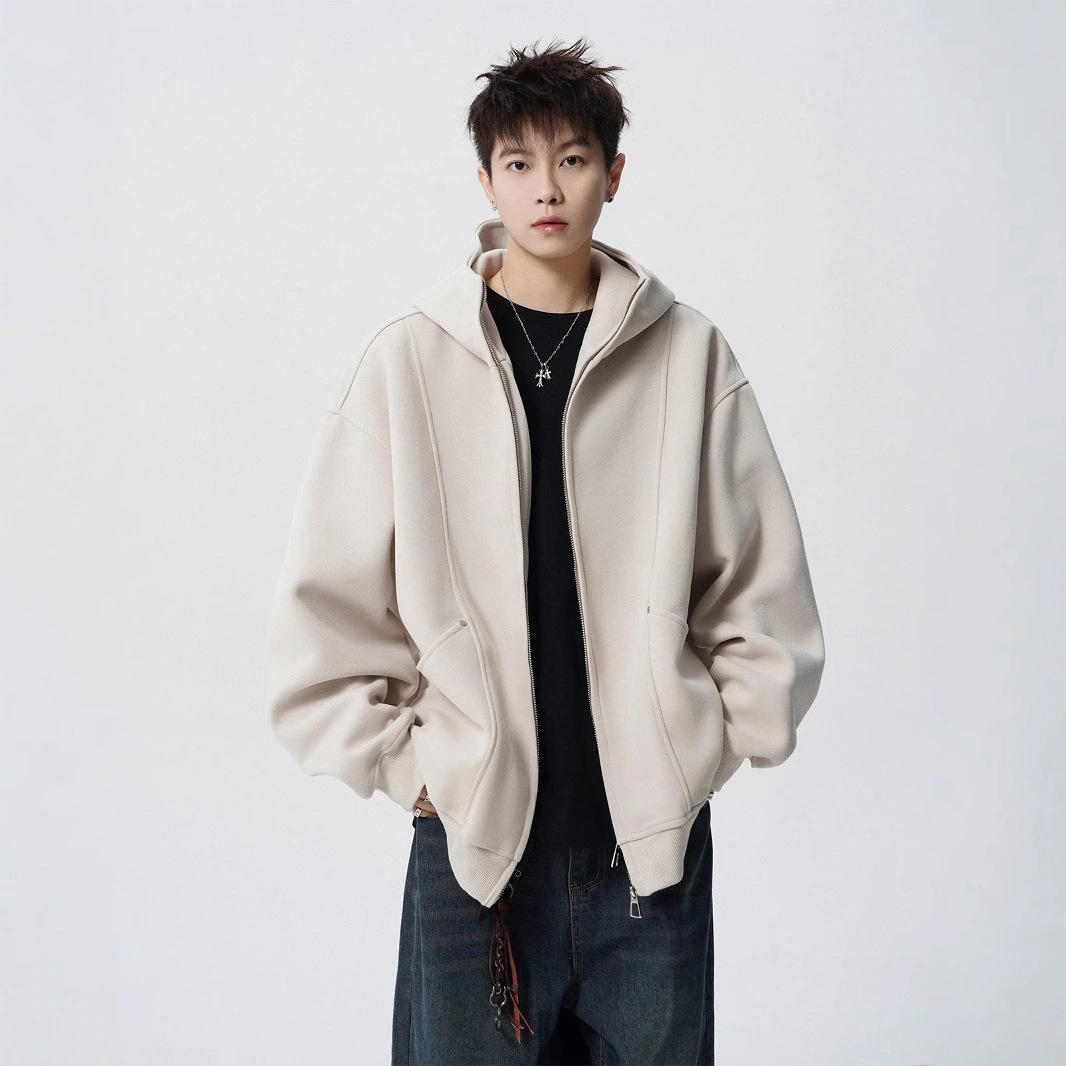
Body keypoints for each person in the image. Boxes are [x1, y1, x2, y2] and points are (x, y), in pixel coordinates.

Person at [265, 36, 826, 1066]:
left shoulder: (689, 356)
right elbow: (325, 610)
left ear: (614, 172)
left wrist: (699, 753)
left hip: (647, 862)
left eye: (572, 159)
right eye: (518, 163)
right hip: (475, 859)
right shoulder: (409, 360)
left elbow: (761, 589)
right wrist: (413, 769)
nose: (547, 189)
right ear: (485, 180)